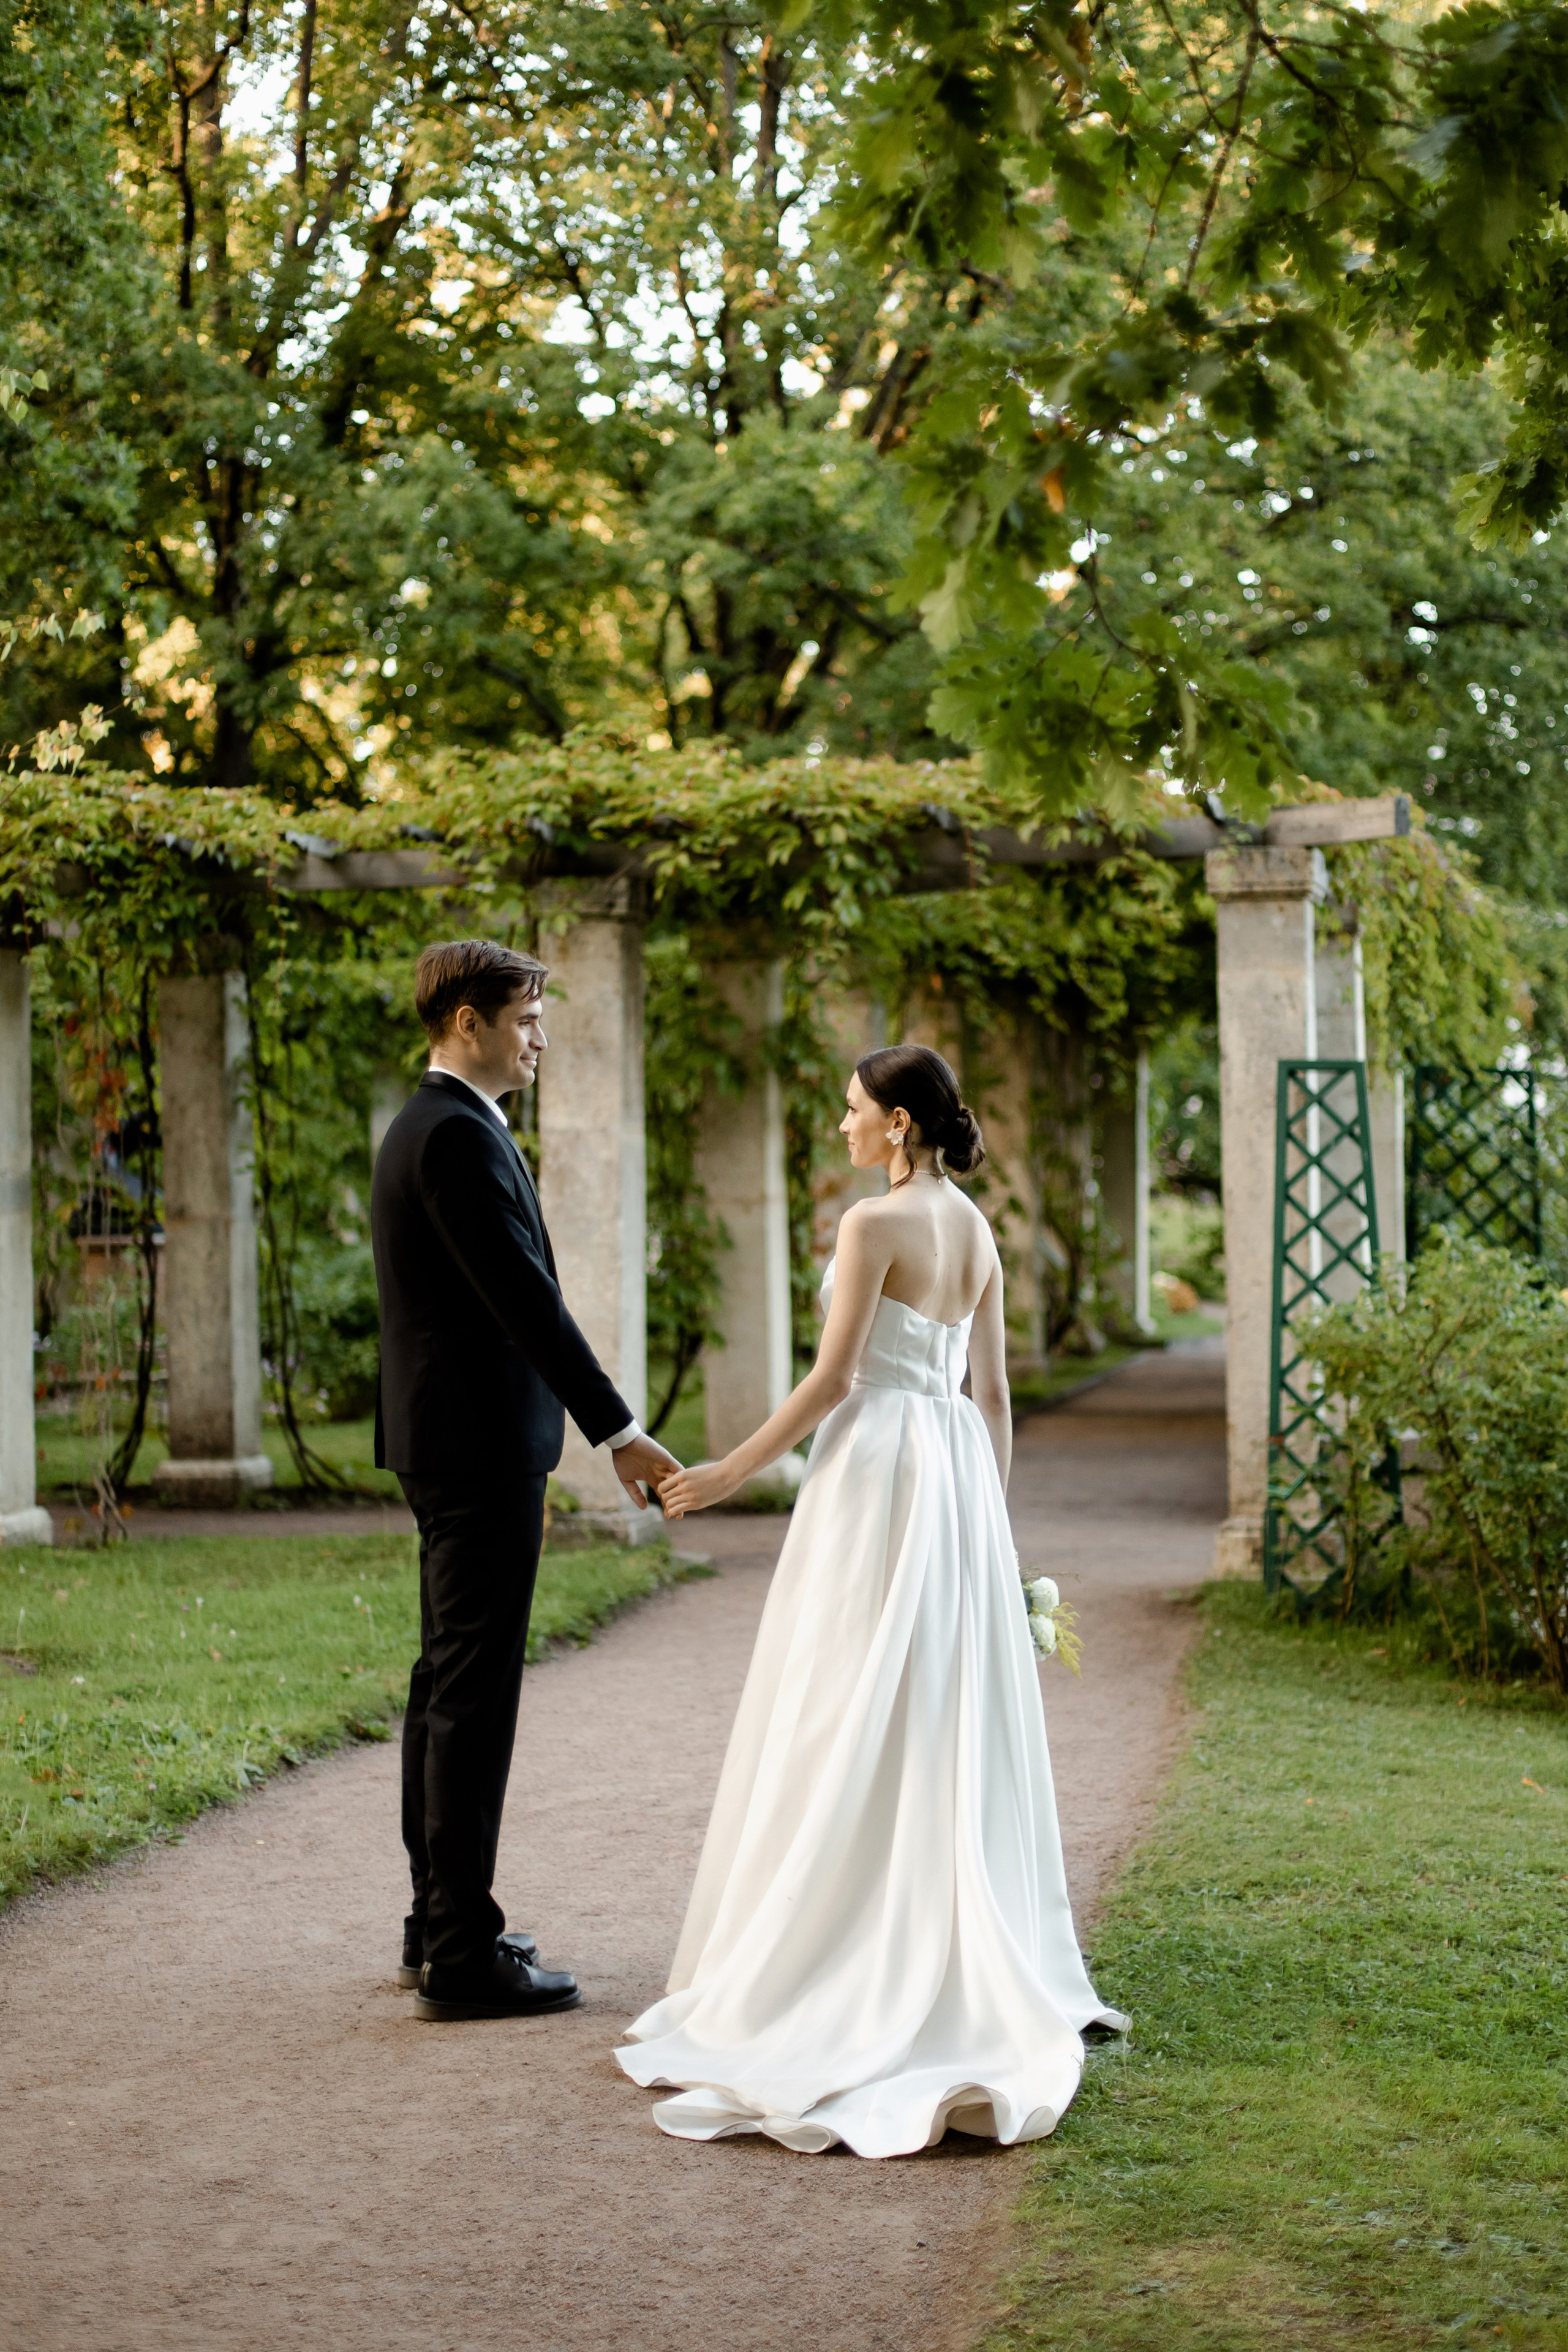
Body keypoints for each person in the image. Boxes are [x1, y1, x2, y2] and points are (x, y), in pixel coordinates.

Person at [620, 1042, 1125, 2155]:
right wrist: (987, 1528)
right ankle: (939, 1939)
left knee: (841, 1701)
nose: (843, 1125)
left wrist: (724, 1472)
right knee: (935, 1707)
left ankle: (841, 1952)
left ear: (899, 1124)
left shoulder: (872, 1225)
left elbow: (834, 1380)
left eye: (855, 1111)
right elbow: (992, 1398)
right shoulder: (979, 1228)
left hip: (877, 1472)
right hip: (949, 1478)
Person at [372, 938, 679, 2022]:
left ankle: (436, 1924)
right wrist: (620, 1432)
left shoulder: (441, 1125)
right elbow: (524, 1301)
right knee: (471, 1696)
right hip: (477, 1448)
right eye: (525, 1018)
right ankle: (460, 1950)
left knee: (446, 1685)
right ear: (467, 1022)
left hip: (452, 1441)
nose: (539, 1036)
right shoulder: (453, 1137)